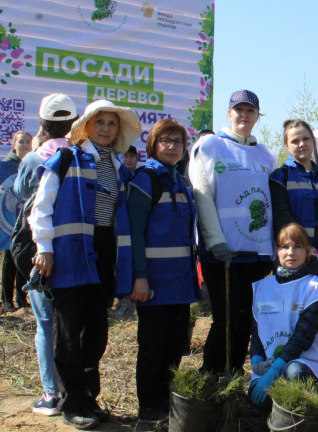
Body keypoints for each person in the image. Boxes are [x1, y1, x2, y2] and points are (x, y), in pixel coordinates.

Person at [29, 99, 140, 430]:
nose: (106, 127)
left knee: (97, 333)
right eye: (100, 121)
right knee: (67, 335)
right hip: (69, 256)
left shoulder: (121, 169)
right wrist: (44, 248)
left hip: (104, 256)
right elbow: (41, 207)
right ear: (86, 128)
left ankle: (87, 398)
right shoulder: (64, 159)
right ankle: (72, 403)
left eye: (112, 123)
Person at [188, 89, 277, 374]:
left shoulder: (266, 154)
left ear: (257, 117)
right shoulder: (211, 145)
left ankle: (234, 372)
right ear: (229, 114)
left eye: (250, 111)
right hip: (224, 252)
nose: (244, 115)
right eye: (239, 110)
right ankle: (212, 373)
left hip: (258, 254)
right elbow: (202, 194)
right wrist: (215, 240)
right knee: (226, 318)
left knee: (247, 318)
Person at [125, 118, 199, 423]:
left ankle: (167, 400)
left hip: (180, 283)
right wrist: (139, 277)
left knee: (174, 345)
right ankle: (149, 407)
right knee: (153, 347)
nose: (172, 147)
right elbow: (135, 233)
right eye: (165, 141)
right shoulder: (146, 180)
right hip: (154, 284)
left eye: (178, 142)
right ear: (153, 146)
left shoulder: (180, 181)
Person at [14, 93, 79, 417]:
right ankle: (73, 391)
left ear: (42, 123)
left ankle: (50, 394)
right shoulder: (78, 154)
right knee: (69, 323)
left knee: (45, 322)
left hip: (41, 249)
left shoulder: (35, 158)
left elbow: (21, 191)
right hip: (71, 249)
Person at [247, 223, 318, 405]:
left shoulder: (317, 288)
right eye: (284, 247)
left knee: (293, 374)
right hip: (273, 362)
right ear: (277, 251)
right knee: (256, 400)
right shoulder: (264, 287)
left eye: (298, 247)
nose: (291, 252)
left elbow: (303, 336)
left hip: (309, 362)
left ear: (308, 252)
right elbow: (258, 330)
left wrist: (273, 371)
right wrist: (257, 360)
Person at [269, 119, 318, 261]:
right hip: (295, 259)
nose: (302, 144)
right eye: (295, 141)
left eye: (306, 139)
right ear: (287, 146)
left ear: (314, 142)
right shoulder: (280, 177)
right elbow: (282, 219)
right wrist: (305, 248)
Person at [1, 130, 33, 312]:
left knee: (23, 254)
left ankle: (22, 298)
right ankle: (6, 300)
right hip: (7, 219)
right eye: (21, 141)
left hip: (26, 219)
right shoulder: (6, 165)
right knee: (8, 258)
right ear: (14, 144)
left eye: (28, 141)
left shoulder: (33, 163)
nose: (25, 145)